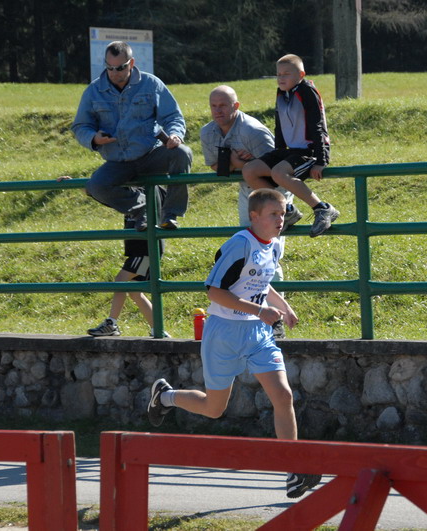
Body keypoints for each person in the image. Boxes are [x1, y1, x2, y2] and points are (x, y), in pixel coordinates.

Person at [147, 189, 321, 499]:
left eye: (283, 214)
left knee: (283, 396)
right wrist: (260, 310)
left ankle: (294, 470)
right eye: (273, 214)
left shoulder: (273, 246)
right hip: (223, 333)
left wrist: (283, 305)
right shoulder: (239, 244)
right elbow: (214, 291)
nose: (281, 219)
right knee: (214, 409)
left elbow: (261, 282)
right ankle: (166, 396)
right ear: (254, 216)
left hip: (257, 334)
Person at [200, 85, 292, 338]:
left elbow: (275, 170)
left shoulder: (253, 131)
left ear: (236, 106)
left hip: (274, 192)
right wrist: (241, 163)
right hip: (247, 192)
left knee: (269, 252)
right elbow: (215, 166)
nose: (217, 111)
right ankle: (252, 312)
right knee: (249, 250)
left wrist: (239, 163)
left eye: (223, 105)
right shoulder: (208, 132)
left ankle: (275, 320)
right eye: (213, 106)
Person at [71, 40, 191, 231]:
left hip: (150, 155)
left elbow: (173, 116)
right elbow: (80, 126)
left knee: (182, 153)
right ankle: (142, 208)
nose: (114, 72)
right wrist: (93, 138)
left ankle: (170, 214)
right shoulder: (93, 91)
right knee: (96, 186)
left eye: (120, 67)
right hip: (118, 162)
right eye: (109, 67)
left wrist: (175, 135)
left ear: (131, 63)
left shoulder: (151, 84)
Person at [242, 54, 339, 238]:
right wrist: (278, 152)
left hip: (309, 151)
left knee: (278, 173)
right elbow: (279, 125)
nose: (281, 78)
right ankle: (287, 210)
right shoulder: (281, 93)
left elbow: (318, 126)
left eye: (286, 74)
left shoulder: (307, 91)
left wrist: (321, 160)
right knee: (249, 170)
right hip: (289, 152)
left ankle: (322, 208)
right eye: (278, 74)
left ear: (301, 75)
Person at [87, 211, 170, 338]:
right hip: (139, 252)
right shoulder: (131, 202)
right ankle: (158, 329)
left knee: (121, 280)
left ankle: (111, 324)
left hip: (145, 252)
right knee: (135, 292)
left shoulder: (146, 200)